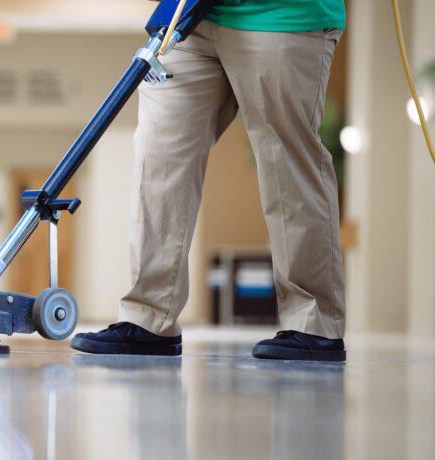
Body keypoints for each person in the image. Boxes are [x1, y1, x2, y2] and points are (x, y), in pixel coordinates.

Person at [71, 0, 347, 361]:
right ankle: (149, 315)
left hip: (281, 16)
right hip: (190, 19)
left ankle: (314, 323)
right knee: (160, 157)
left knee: (286, 164)